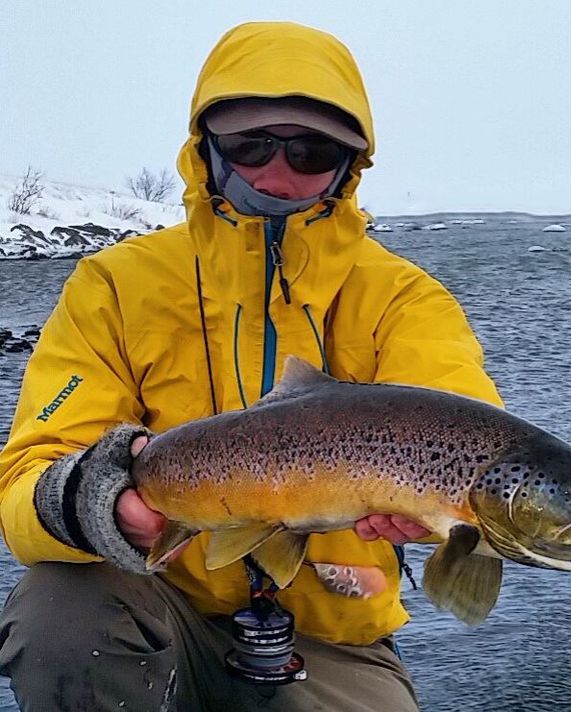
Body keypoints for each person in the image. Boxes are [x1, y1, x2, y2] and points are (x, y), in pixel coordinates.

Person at [0, 20, 503, 711]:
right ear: (204, 149)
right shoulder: (114, 285)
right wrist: (98, 502)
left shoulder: (402, 298)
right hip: (151, 605)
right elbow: (28, 474)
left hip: (333, 637)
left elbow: (466, 428)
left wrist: (441, 510)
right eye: (249, 144)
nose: (275, 172)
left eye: (312, 150)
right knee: (56, 606)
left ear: (349, 164)